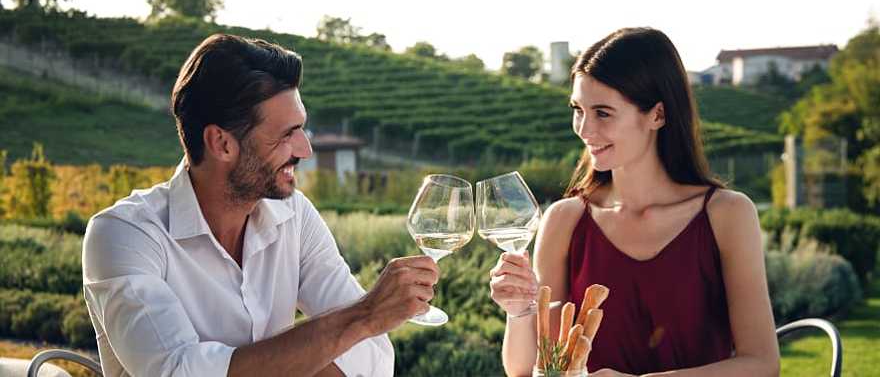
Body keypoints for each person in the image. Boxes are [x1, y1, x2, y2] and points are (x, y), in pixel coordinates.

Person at [82, 33, 439, 377]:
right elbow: (177, 371)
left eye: (302, 130)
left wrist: (339, 334)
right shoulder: (124, 234)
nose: (305, 150)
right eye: (287, 134)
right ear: (221, 143)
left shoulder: (294, 216)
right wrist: (362, 316)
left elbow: (370, 356)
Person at [488, 28, 780, 377]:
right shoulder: (564, 220)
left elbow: (762, 364)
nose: (583, 128)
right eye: (578, 109)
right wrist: (519, 311)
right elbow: (529, 370)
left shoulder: (727, 214)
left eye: (603, 113)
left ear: (657, 115)